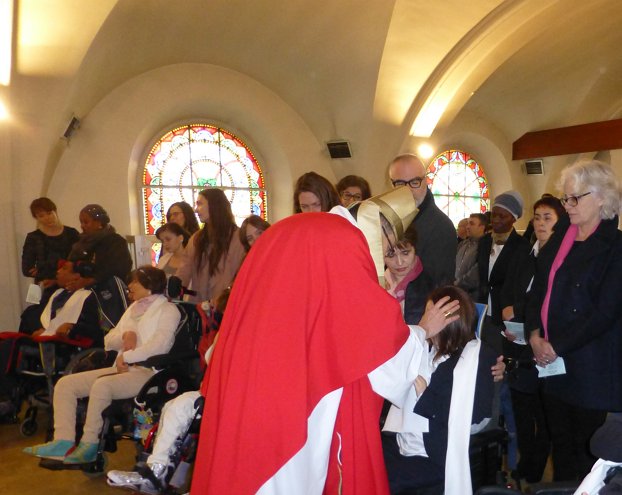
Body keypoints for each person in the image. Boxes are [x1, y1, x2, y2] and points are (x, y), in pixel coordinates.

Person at [189, 213, 460, 495]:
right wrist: (422, 331)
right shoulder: (336, 277)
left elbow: (214, 355)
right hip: (290, 436)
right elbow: (384, 358)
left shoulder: (258, 305)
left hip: (244, 426)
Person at [23, 266, 180, 464]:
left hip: (148, 372)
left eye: (134, 282)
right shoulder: (133, 309)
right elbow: (109, 340)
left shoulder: (168, 310)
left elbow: (160, 346)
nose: (129, 286)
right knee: (66, 384)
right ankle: (63, 440)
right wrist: (126, 334)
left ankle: (89, 444)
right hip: (123, 368)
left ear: (149, 286)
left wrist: (129, 356)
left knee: (102, 385)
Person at [526, 160, 622, 482]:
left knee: (587, 456)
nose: (567, 206)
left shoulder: (616, 247)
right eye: (566, 199)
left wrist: (557, 346)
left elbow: (605, 312)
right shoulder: (560, 239)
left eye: (574, 199)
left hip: (590, 369)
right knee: (561, 449)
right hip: (553, 368)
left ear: (601, 197)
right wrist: (534, 335)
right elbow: (538, 289)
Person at [106, 289, 231, 493]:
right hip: (215, 389)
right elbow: (210, 359)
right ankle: (155, 473)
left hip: (240, 395)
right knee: (175, 406)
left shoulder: (168, 310)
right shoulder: (226, 331)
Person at [382, 286, 497, 494]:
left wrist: (427, 396)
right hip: (400, 443)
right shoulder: (423, 347)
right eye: (428, 313)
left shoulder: (475, 358)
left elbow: (477, 421)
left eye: (433, 314)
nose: (428, 318)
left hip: (432, 454)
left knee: (383, 483)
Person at [500, 195, 565, 484]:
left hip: (546, 347)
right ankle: (526, 465)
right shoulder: (527, 254)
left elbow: (550, 301)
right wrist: (508, 313)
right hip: (518, 344)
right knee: (522, 412)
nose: (540, 223)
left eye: (547, 218)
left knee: (545, 416)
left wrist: (522, 312)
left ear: (560, 222)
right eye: (537, 217)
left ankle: (536, 467)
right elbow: (512, 288)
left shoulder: (563, 256)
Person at [388, 154, 457, 287]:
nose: (408, 191)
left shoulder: (441, 227)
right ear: (392, 184)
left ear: (426, 181)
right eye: (400, 183)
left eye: (414, 182)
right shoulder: (387, 220)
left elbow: (438, 283)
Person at [176, 188, 245, 303]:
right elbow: (184, 271)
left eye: (200, 204)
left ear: (214, 205)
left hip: (228, 304)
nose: (196, 210)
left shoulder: (238, 237)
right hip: (201, 306)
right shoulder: (196, 240)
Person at [66, 204, 132, 291]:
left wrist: (91, 280)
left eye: (86, 222)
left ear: (99, 223)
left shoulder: (116, 242)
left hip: (108, 291)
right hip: (83, 290)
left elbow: (119, 268)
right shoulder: (81, 242)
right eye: (81, 222)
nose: (82, 226)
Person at [22, 197, 80, 289]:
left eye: (49, 213)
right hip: (45, 285)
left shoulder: (72, 233)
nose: (47, 218)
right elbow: (27, 269)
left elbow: (79, 261)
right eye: (41, 216)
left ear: (55, 211)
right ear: (36, 218)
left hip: (69, 283)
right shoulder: (33, 237)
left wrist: (43, 271)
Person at [383, 228, 433, 325]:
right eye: (390, 255)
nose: (400, 262)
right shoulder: (376, 283)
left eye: (405, 253)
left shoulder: (433, 285)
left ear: (415, 249)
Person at [455, 213, 488, 299]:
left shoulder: (485, 247)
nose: (467, 227)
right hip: (457, 293)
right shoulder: (463, 244)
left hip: (472, 296)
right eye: (468, 223)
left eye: (472, 224)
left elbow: (475, 275)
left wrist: (456, 284)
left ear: (482, 227)